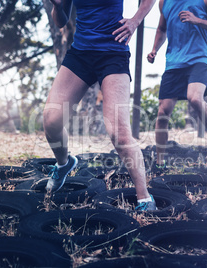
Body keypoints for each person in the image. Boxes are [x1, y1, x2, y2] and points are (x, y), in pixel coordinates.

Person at [43, 0, 157, 211]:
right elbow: (61, 22)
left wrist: (135, 21)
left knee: (119, 134)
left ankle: (145, 198)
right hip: (81, 53)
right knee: (51, 121)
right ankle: (64, 164)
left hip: (113, 52)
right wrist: (58, 6)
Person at [147, 0, 207, 170]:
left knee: (194, 98)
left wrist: (197, 20)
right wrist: (155, 48)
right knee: (163, 112)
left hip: (198, 59)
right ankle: (159, 163)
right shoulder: (164, 2)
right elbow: (162, 29)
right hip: (173, 63)